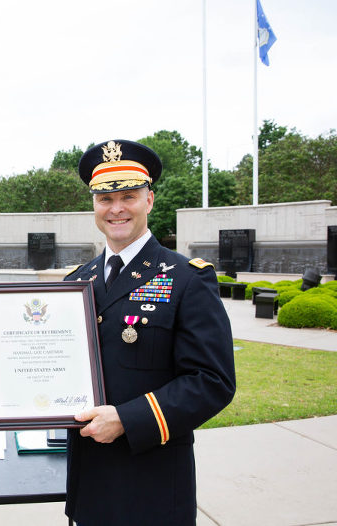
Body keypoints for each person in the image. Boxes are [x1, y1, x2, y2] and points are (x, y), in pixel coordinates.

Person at [64, 140, 236, 525]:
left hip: (152, 484)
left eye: (128, 196)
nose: (117, 208)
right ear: (94, 206)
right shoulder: (77, 281)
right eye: (105, 199)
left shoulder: (187, 278)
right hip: (90, 483)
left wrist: (127, 419)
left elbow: (213, 381)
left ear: (150, 200)